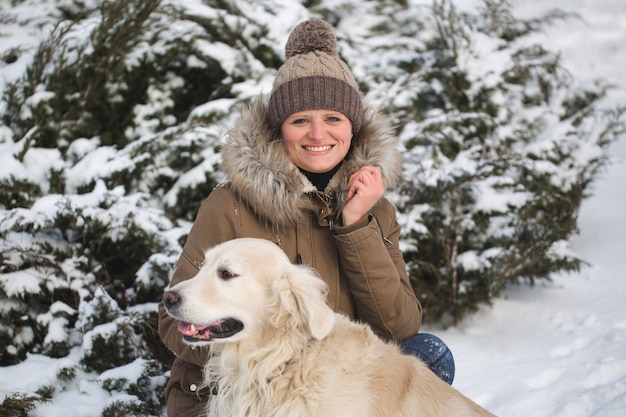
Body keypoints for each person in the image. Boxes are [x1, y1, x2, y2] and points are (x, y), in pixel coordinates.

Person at [157, 18, 455, 417]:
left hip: (329, 388)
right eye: (300, 120)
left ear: (353, 128)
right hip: (229, 392)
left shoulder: (376, 211)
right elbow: (172, 320)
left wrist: (355, 226)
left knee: (428, 357)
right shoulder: (228, 205)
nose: (318, 134)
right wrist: (265, 356)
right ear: (280, 130)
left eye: (333, 118)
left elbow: (398, 330)